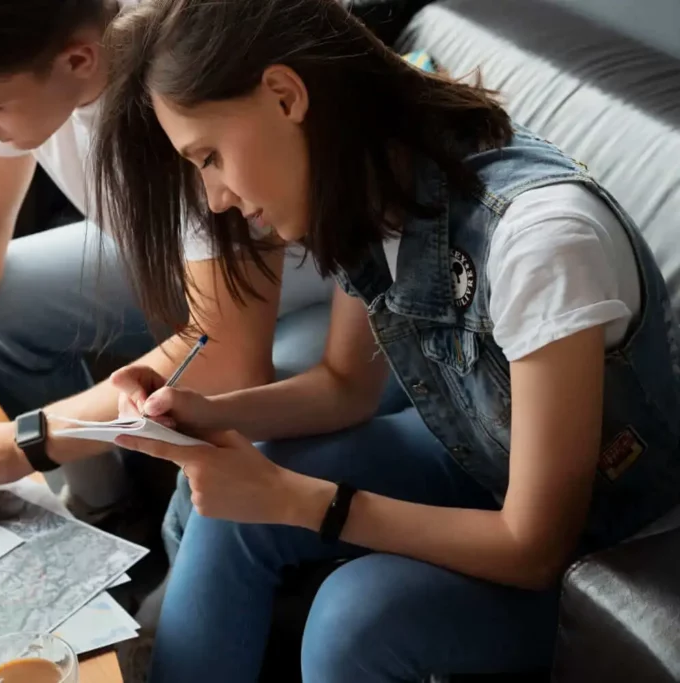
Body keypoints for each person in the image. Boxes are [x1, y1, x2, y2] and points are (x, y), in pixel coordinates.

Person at [93, 0, 680, 681]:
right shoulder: (380, 184)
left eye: (210, 156)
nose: (216, 197)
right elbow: (345, 388)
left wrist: (289, 499)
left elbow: (535, 546)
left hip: (610, 544)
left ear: (285, 96)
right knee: (231, 501)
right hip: (477, 450)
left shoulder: (541, 244)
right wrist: (202, 411)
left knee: (357, 617)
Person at [0, 0, 341, 543]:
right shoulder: (28, 52)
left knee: (228, 455)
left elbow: (228, 357)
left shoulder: (187, 103)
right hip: (181, 260)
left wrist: (27, 441)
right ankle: (107, 509)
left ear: (79, 61)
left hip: (314, 290)